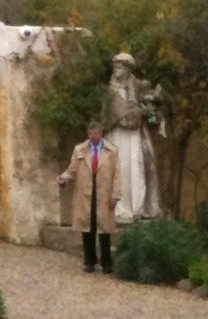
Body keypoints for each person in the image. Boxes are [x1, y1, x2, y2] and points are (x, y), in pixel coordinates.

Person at [57, 121, 121, 273]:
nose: (94, 136)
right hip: (85, 194)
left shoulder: (112, 151)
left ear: (101, 134)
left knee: (104, 229)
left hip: (104, 193)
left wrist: (116, 195)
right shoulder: (80, 150)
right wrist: (63, 178)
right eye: (91, 134)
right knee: (87, 228)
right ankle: (89, 262)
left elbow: (117, 174)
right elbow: (72, 170)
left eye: (96, 133)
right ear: (88, 134)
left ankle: (107, 263)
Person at [106, 52, 162, 224]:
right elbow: (116, 111)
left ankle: (137, 207)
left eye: (120, 67)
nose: (117, 70)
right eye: (115, 66)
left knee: (136, 168)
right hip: (117, 134)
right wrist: (138, 112)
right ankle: (118, 207)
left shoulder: (136, 86)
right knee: (119, 168)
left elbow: (152, 98)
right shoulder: (111, 88)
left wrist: (151, 106)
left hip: (135, 135)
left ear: (128, 69)